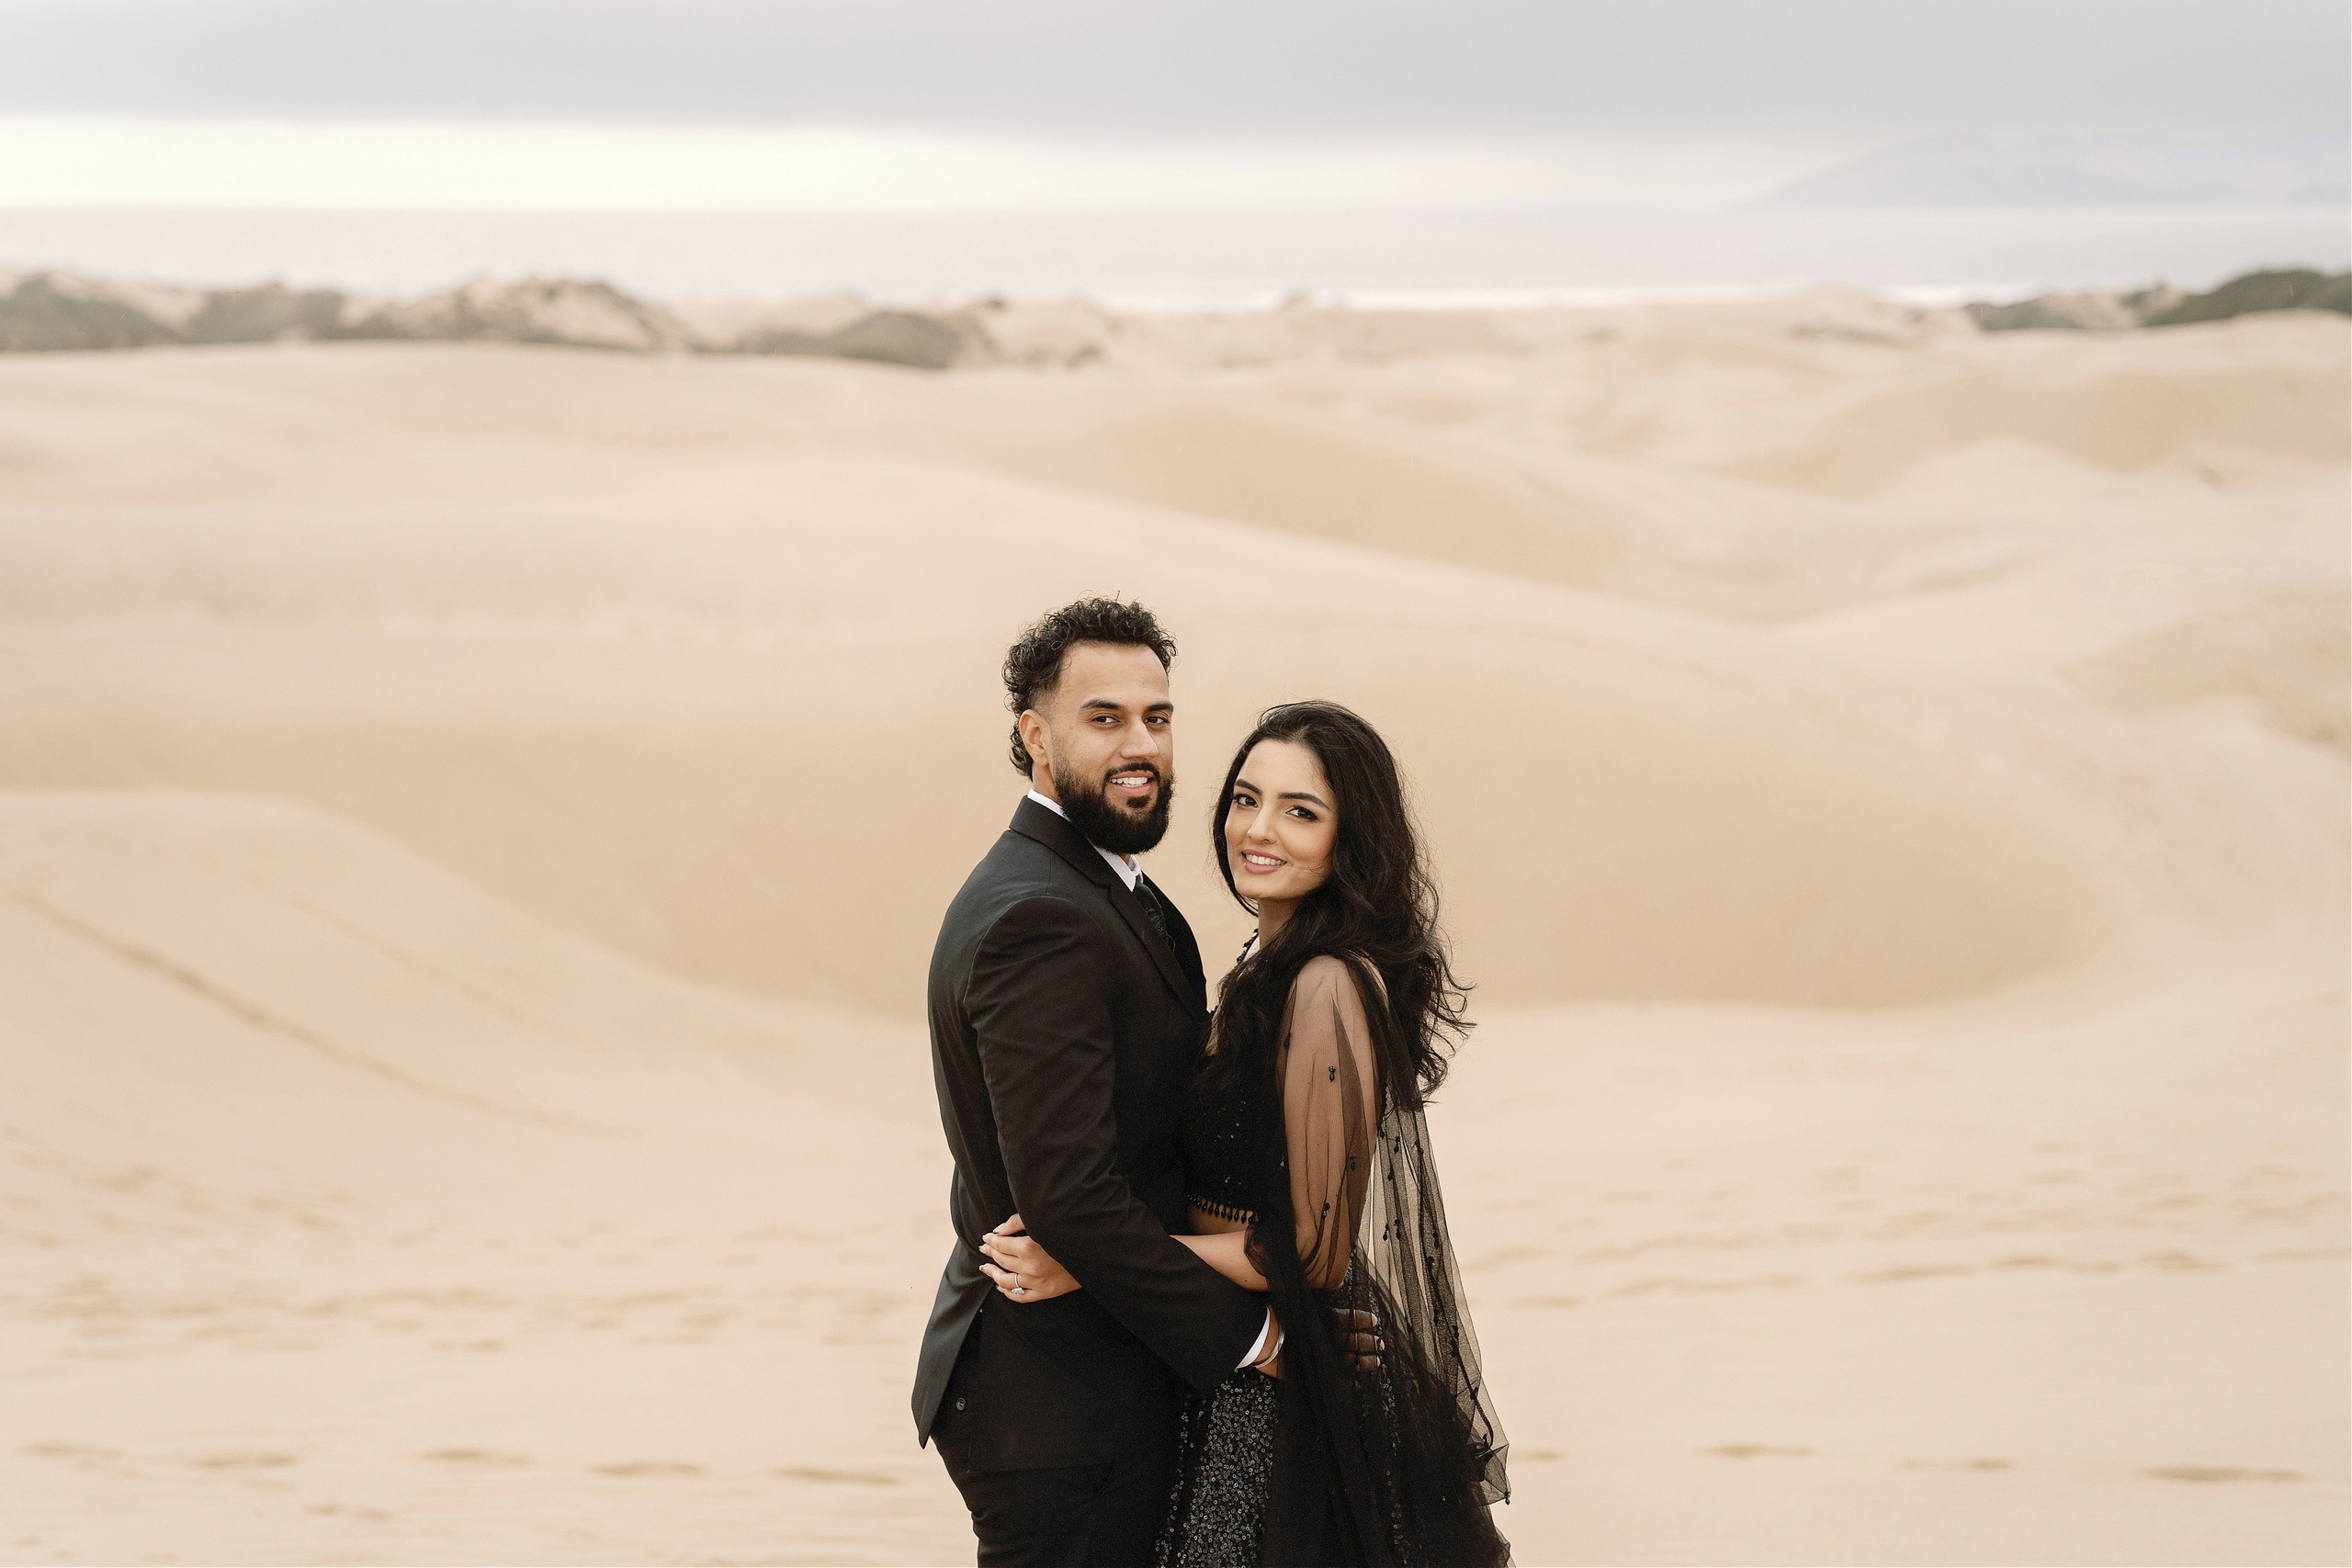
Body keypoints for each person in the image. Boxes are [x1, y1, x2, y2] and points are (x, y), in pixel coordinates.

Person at [978, 700, 1511, 1566]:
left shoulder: (1327, 984)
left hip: (1294, 1392)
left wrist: (1093, 1259)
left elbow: (1312, 1248)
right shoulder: (1265, 970)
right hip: (1237, 1364)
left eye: (1301, 811)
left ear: (1350, 839)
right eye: (1244, 798)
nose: (1258, 829)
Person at [915, 600, 1376, 1566]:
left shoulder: (1109, 890)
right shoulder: (1039, 917)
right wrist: (1264, 1341)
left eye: (1157, 719)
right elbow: (1067, 1193)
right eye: (1105, 717)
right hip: (1060, 1407)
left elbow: (1087, 1146)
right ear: (1034, 736)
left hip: (1117, 1381)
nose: (1141, 746)